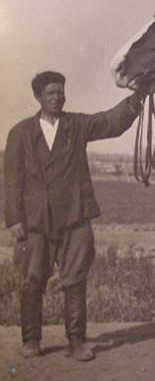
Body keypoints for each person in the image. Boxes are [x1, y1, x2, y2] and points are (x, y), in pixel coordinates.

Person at [3, 71, 145, 361]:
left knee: (75, 279)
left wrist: (138, 98)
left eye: (60, 92)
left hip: (74, 216)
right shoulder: (19, 133)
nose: (57, 97)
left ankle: (76, 341)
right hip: (34, 221)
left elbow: (110, 121)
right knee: (32, 280)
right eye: (50, 93)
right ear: (38, 97)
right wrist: (14, 219)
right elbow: (11, 179)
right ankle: (31, 340)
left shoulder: (77, 125)